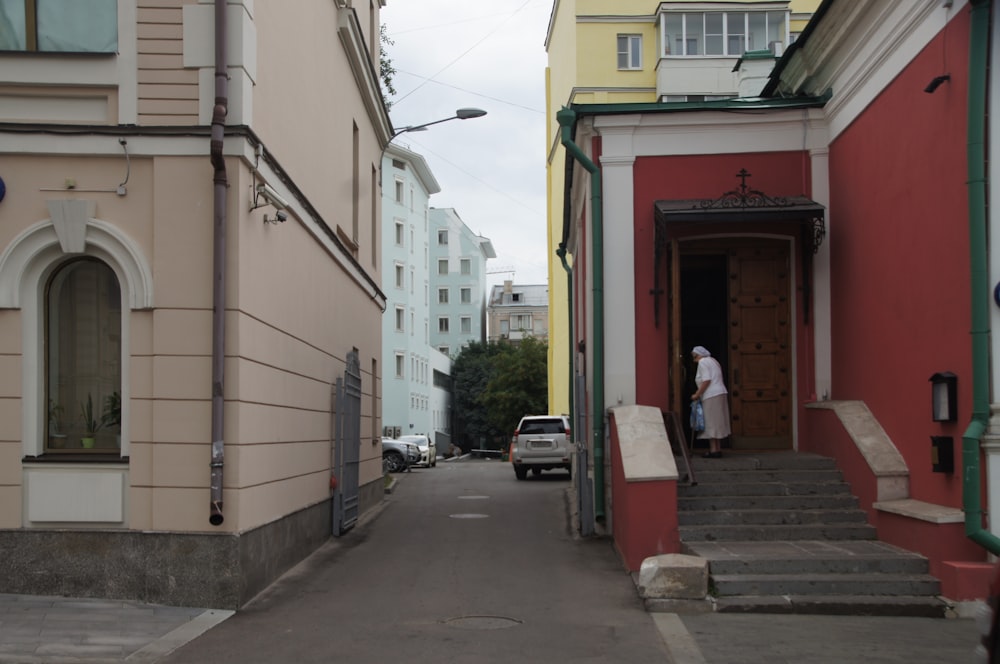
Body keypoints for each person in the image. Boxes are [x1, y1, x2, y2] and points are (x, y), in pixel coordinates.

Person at [691, 345, 731, 458]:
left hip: (711, 395)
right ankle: (717, 448)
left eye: (694, 357)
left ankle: (713, 450)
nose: (694, 360)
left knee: (711, 422)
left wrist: (697, 394)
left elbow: (706, 380)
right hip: (720, 392)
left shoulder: (703, 362)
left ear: (698, 355)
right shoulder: (714, 361)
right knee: (717, 421)